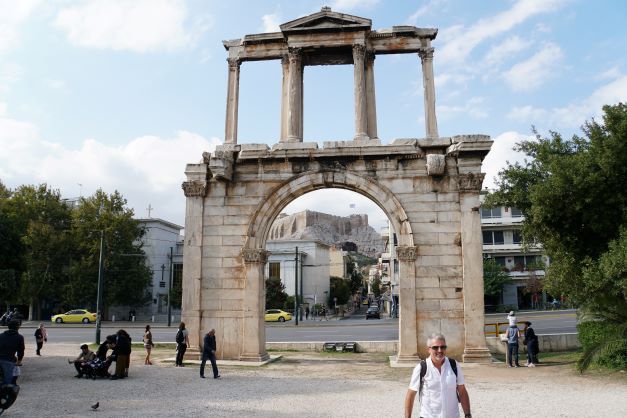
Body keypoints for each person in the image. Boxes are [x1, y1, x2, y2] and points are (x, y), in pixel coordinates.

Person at [404, 333, 472, 418]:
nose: (439, 350)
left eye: (443, 347)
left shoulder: (454, 365)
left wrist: (468, 414)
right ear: (429, 349)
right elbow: (410, 394)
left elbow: (462, 391)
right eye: (435, 347)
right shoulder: (421, 368)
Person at [0, 320, 25, 385]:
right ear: (18, 327)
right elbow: (21, 351)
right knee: (8, 383)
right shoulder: (19, 337)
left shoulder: (1, 335)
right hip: (9, 360)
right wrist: (19, 361)